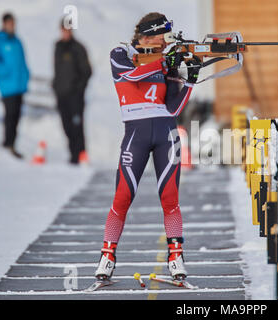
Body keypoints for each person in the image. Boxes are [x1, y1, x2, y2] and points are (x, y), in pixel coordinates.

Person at [94, 12, 200, 282]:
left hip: (166, 132)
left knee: (170, 199)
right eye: (163, 37)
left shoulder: (163, 62)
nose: (166, 43)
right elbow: (131, 75)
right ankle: (107, 255)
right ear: (148, 35)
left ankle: (176, 256)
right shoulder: (121, 53)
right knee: (121, 199)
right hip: (135, 135)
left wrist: (188, 77)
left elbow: (173, 107)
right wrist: (165, 61)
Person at [52, 18, 92, 165]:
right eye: (63, 29)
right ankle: (73, 154)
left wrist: (78, 89)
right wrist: (55, 86)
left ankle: (79, 155)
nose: (66, 32)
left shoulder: (78, 48)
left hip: (75, 96)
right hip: (61, 94)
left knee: (77, 126)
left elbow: (87, 71)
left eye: (68, 29)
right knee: (66, 125)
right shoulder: (57, 47)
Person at [0, 13, 29, 159]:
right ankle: (7, 144)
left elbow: (22, 62)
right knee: (10, 116)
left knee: (16, 116)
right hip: (8, 86)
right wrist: (6, 72)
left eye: (13, 23)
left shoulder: (17, 41)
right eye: (9, 23)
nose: (12, 26)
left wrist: (26, 76)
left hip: (19, 86)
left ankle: (12, 144)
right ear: (4, 24)